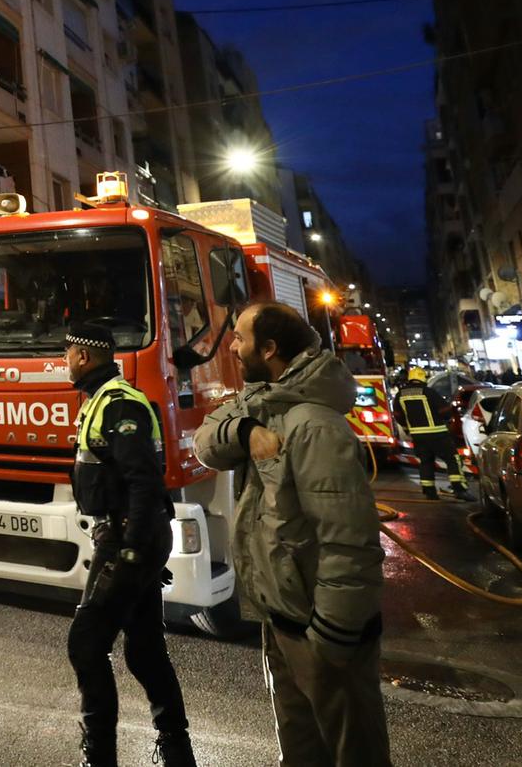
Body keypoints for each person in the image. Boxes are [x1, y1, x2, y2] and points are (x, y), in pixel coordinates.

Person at [196, 302, 390, 767]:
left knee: (351, 752)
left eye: (240, 338)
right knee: (302, 748)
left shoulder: (314, 427)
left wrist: (334, 635)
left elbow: (348, 543)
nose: (232, 347)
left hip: (318, 630)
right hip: (284, 617)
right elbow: (206, 440)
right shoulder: (265, 403)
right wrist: (243, 431)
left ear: (270, 348)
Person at [60, 321, 195, 767]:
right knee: (143, 648)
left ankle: (100, 758)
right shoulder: (100, 402)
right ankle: (177, 749)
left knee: (86, 643)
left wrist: (135, 551)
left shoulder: (120, 404)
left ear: (83, 357)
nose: (64, 361)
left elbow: (143, 481)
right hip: (128, 534)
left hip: (125, 538)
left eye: (67, 354)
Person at [395, 367, 464, 500]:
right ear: (422, 378)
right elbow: (445, 411)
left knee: (425, 462)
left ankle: (429, 492)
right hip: (437, 433)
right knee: (452, 459)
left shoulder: (400, 395)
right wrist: (448, 419)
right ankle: (459, 488)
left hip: (418, 436)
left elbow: (398, 415)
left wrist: (406, 428)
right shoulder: (428, 392)